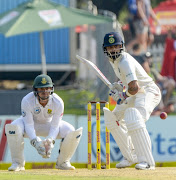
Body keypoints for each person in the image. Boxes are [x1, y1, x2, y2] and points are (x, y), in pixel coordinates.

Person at [102, 32, 161, 170]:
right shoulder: (114, 62)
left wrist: (123, 95)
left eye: (116, 46)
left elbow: (135, 87)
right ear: (106, 49)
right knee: (113, 118)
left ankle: (147, 162)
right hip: (135, 94)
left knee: (134, 117)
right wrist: (120, 88)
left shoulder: (125, 61)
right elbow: (128, 83)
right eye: (110, 47)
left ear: (121, 46)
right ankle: (130, 156)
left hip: (148, 91)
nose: (113, 50)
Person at [5, 74, 83, 171]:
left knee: (71, 131)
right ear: (35, 90)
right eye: (41, 89)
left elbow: (55, 125)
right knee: (13, 127)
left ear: (52, 88)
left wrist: (50, 141)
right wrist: (35, 141)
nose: (45, 92)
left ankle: (63, 162)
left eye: (47, 88)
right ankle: (18, 163)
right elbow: (28, 124)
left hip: (49, 125)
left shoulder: (58, 102)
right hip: (29, 125)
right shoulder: (27, 100)